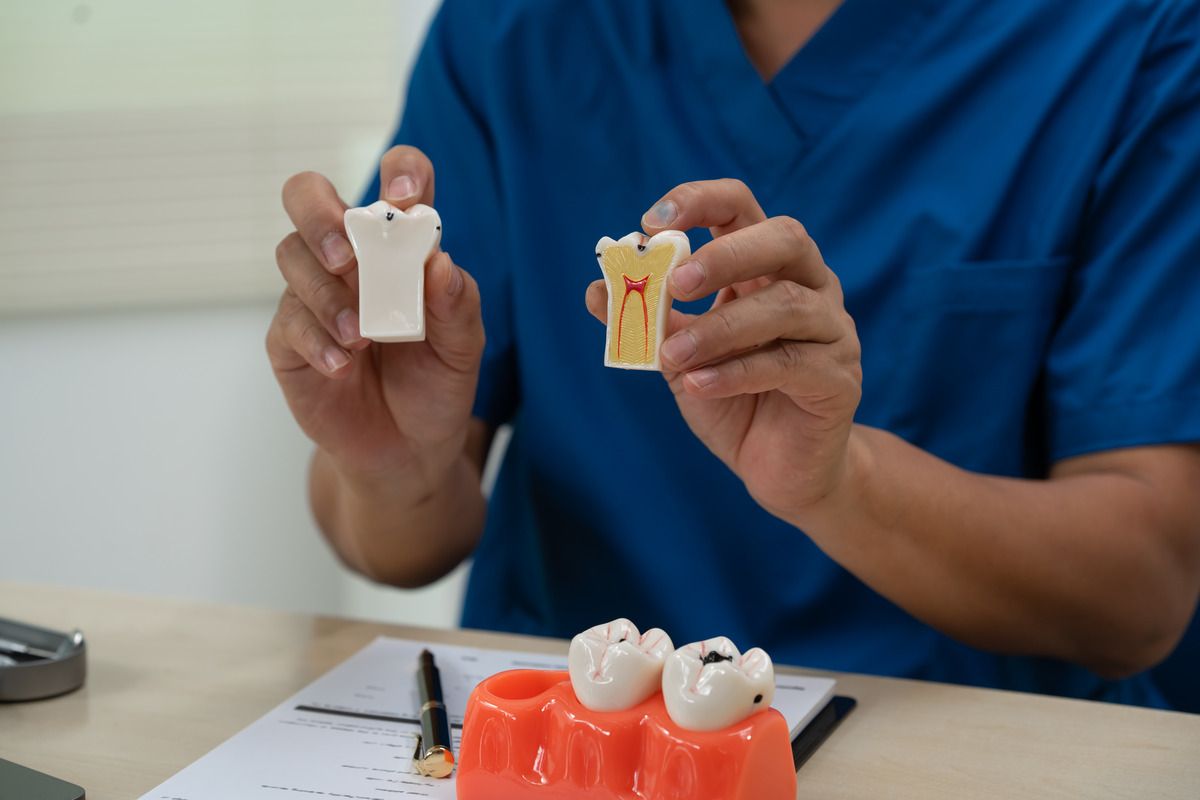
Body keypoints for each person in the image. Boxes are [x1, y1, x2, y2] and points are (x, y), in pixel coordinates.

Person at [266, 0, 1200, 707]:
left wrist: (840, 482)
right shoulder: (514, 29)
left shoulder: (1134, 38)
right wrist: (391, 471)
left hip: (952, 741)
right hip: (579, 734)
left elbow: (1142, 590)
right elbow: (399, 542)